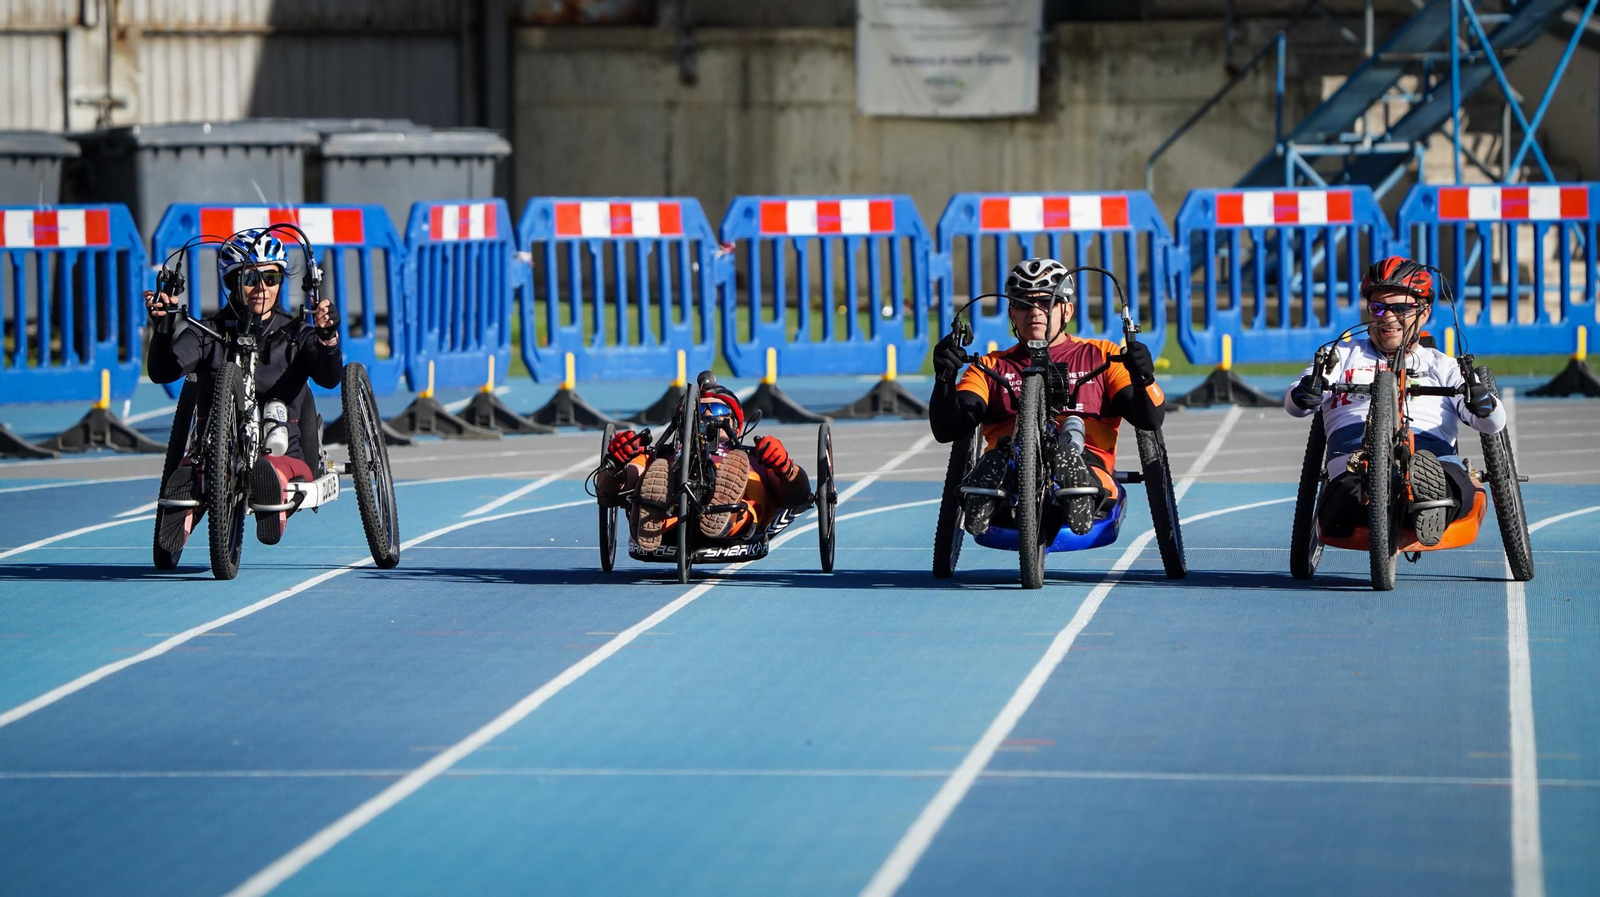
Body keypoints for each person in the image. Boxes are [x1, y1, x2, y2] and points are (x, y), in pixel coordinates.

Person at [928, 258, 1165, 536]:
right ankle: (989, 484)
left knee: (1076, 454)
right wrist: (944, 378)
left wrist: (1143, 377)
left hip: (1088, 461)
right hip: (1014, 476)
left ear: (1067, 310)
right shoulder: (990, 366)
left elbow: (1149, 419)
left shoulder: (1102, 356)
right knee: (1002, 457)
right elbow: (948, 429)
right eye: (1023, 304)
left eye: (1046, 302)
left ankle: (1077, 486)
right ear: (1012, 314)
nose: (1035, 312)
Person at [1285, 256, 1504, 546]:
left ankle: (1429, 492)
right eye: (1378, 308)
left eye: (1400, 309)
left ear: (1424, 313)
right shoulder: (1341, 355)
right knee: (1346, 496)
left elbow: (1492, 424)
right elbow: (1296, 403)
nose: (1387, 318)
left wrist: (1483, 404)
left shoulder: (1444, 365)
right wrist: (1305, 393)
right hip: (1356, 457)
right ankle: (1400, 492)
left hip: (1430, 450)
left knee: (1456, 483)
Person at [145, 229, 343, 549]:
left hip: (282, 453)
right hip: (215, 458)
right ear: (232, 281)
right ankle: (187, 489)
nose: (262, 288)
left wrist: (328, 338)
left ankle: (272, 487)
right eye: (250, 278)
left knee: (271, 463)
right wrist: (164, 329)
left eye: (272, 277)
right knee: (193, 470)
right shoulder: (206, 333)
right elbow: (163, 372)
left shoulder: (296, 333)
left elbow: (329, 378)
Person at [596, 380, 812, 551]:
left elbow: (798, 497)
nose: (707, 418)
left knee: (753, 480)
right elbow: (607, 495)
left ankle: (728, 512)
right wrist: (617, 463)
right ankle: (652, 516)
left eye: (717, 411)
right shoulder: (660, 456)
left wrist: (785, 468)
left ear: (736, 426)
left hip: (739, 519)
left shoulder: (755, 457)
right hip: (671, 516)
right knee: (650, 469)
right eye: (698, 412)